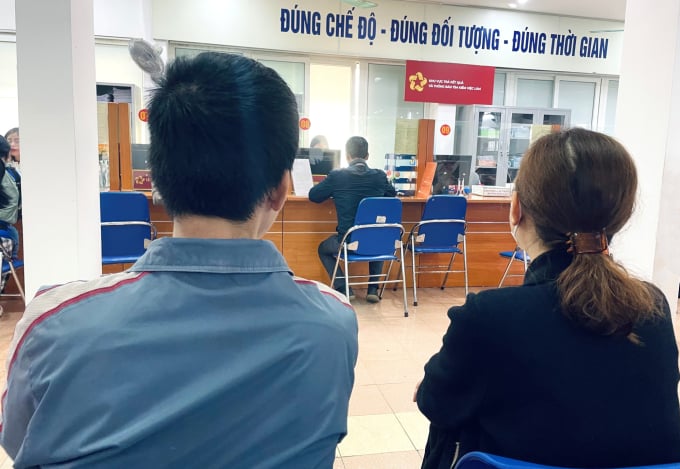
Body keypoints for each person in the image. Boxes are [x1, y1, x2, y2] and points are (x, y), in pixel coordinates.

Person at [0, 52, 358, 468]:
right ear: (280, 190)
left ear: (157, 180)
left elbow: (18, 443)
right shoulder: (333, 324)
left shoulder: (53, 326)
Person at [416, 128, 680, 468]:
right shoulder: (654, 307)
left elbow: (435, 404)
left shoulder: (488, 317)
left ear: (516, 210)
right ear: (620, 216)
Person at [309, 136, 396, 303]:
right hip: (376, 241)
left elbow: (314, 196)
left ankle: (344, 288)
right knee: (376, 233)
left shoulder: (337, 176)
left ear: (347, 155)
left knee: (322, 249)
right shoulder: (379, 176)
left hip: (347, 241)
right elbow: (391, 195)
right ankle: (372, 289)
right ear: (368, 156)